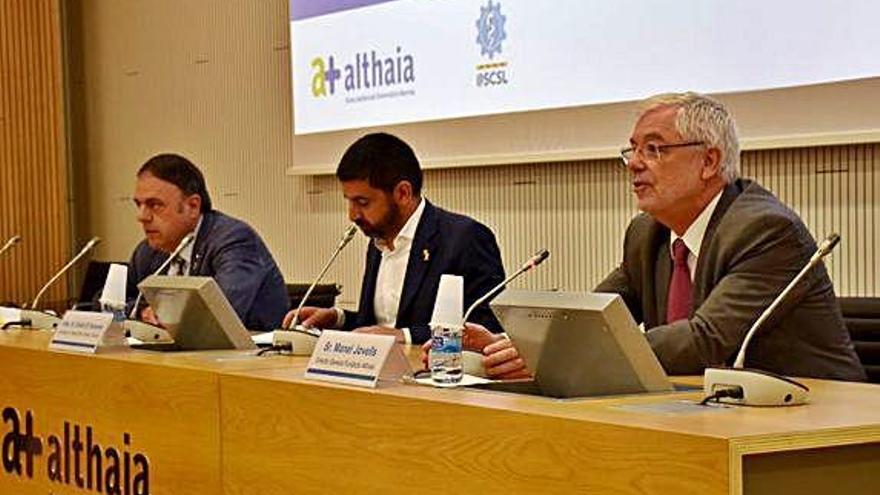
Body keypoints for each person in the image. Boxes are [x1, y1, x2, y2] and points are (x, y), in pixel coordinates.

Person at [456, 92, 865, 381]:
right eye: (631, 150)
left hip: (822, 424)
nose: (633, 164)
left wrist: (555, 355)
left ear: (709, 161)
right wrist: (518, 344)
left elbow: (704, 340)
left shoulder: (766, 231)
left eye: (654, 150)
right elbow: (590, 317)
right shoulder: (647, 234)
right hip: (715, 410)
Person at [284, 132, 505, 345]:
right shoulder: (377, 241)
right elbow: (382, 327)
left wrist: (405, 336)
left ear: (403, 193)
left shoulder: (465, 238)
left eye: (362, 202)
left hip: (435, 376)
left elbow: (486, 327)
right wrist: (337, 318)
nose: (352, 215)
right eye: (349, 201)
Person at [127, 153, 289, 331]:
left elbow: (221, 313)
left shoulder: (234, 240)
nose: (141, 216)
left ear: (193, 206)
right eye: (139, 205)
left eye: (155, 205)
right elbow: (106, 303)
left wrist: (165, 314)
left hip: (253, 355)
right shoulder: (149, 251)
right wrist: (143, 311)